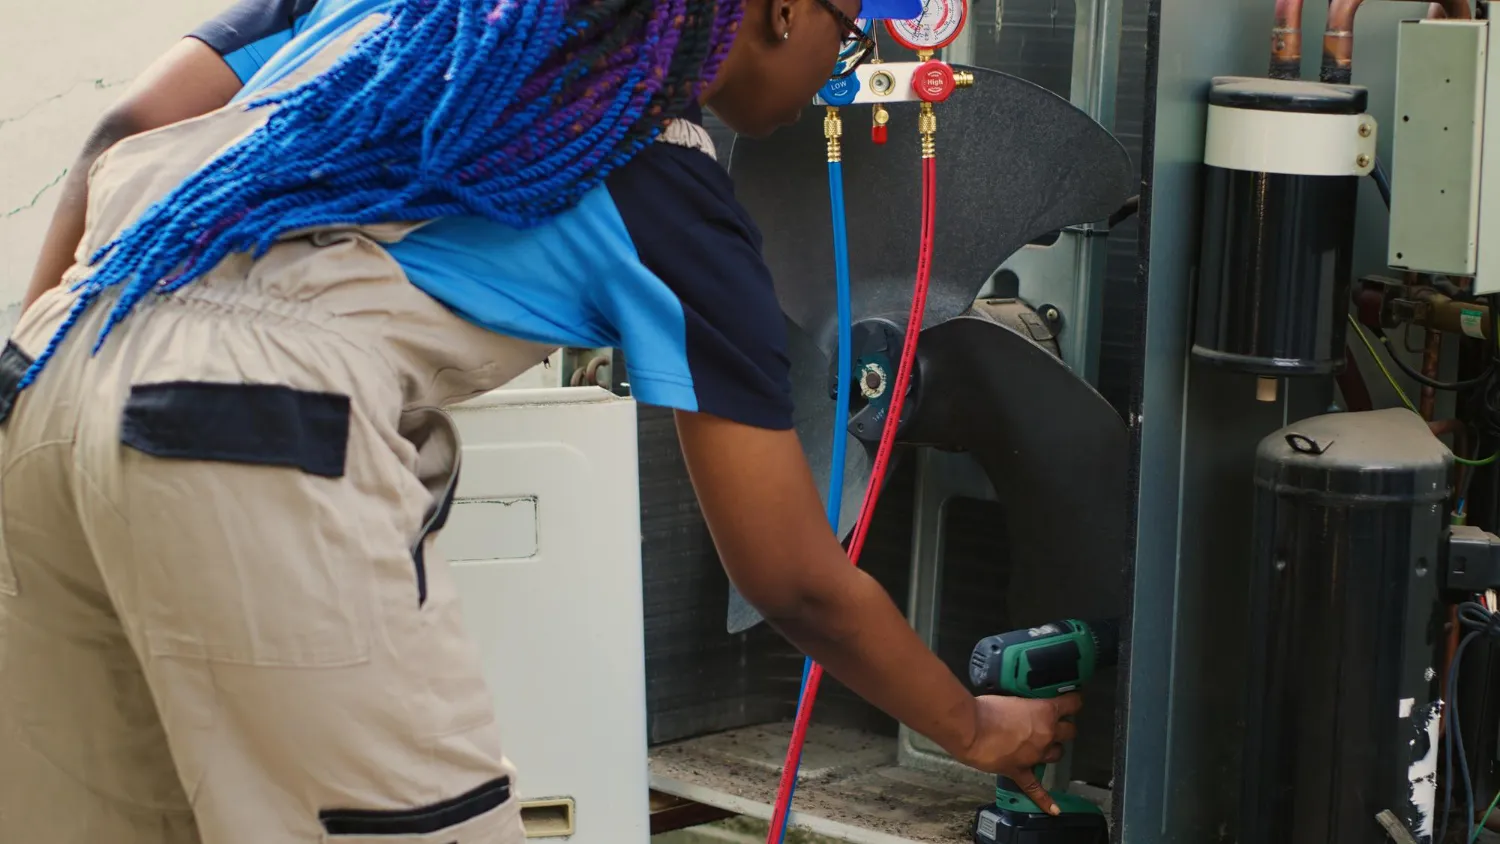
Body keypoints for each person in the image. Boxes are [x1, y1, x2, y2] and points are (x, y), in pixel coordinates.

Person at [0, 0, 1083, 841]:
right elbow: (794, 579)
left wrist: (36, 382)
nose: (827, 78)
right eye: (846, 40)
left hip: (57, 365)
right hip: (246, 431)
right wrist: (971, 724)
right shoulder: (665, 186)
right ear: (782, 11)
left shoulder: (397, 19)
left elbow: (120, 133)